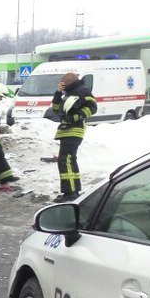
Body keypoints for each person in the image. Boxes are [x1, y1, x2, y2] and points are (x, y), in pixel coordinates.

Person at [51, 71, 97, 202]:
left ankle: (70, 192)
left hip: (75, 130)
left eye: (63, 82)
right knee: (69, 160)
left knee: (65, 160)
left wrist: (76, 117)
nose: (61, 83)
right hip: (66, 130)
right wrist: (58, 93)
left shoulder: (82, 91)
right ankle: (73, 190)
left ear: (71, 81)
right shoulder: (68, 94)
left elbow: (93, 107)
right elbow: (56, 109)